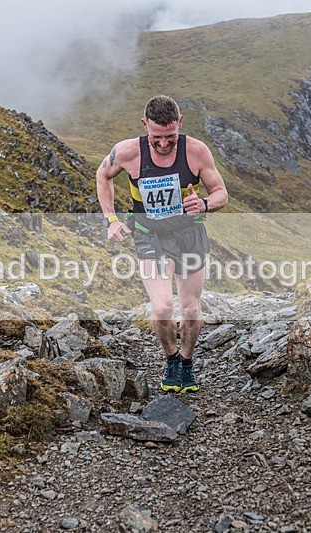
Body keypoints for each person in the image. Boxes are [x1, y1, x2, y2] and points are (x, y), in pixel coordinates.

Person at [96, 95, 229, 393]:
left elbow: (221, 193)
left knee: (191, 309)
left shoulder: (196, 151)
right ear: (145, 126)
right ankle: (171, 358)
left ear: (180, 124)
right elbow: (102, 175)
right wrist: (111, 220)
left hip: (189, 234)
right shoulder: (128, 152)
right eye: (157, 137)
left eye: (171, 136)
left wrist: (205, 203)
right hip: (150, 235)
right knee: (163, 306)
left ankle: (186, 362)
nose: (165, 144)